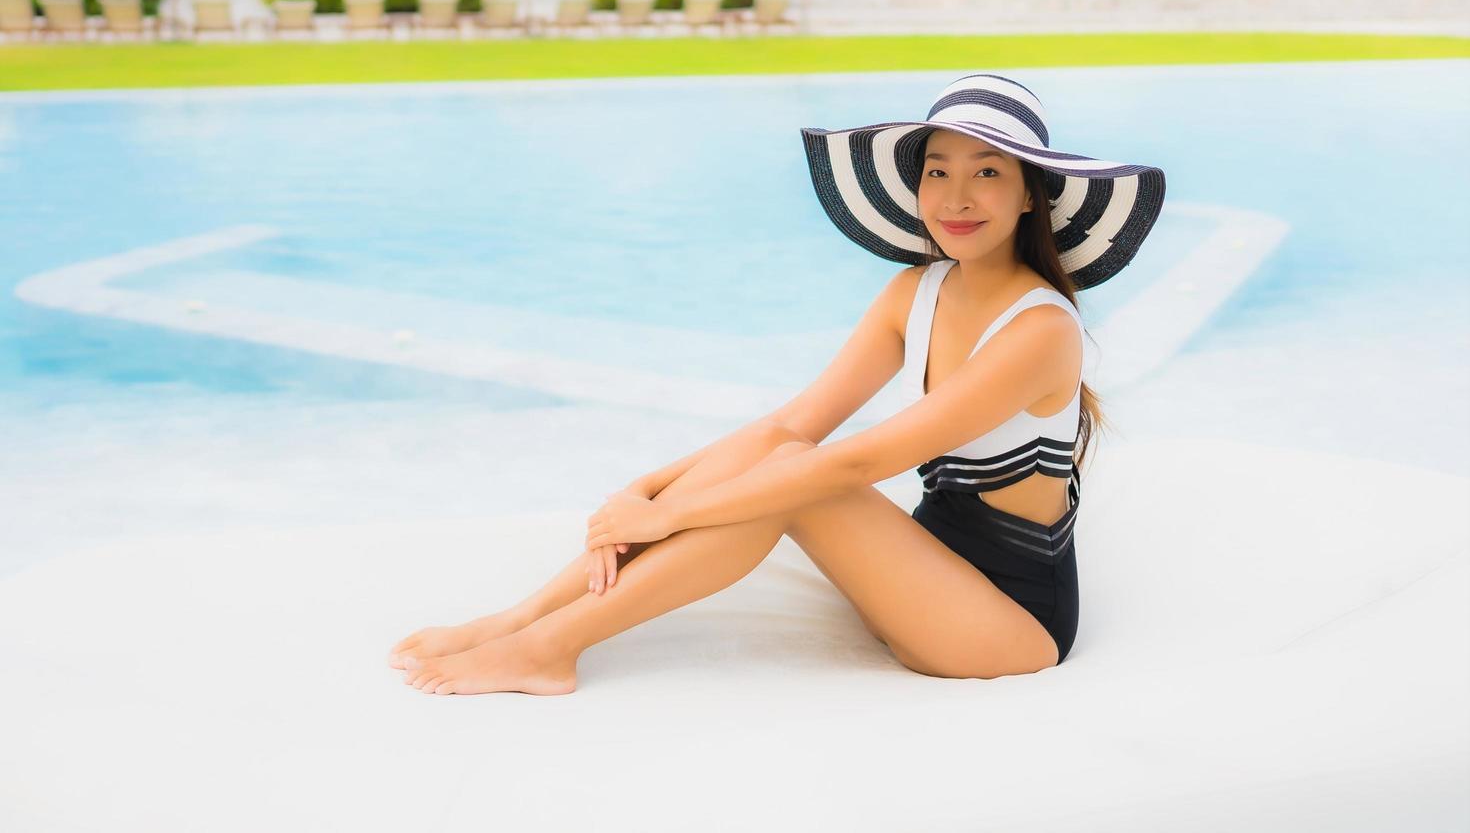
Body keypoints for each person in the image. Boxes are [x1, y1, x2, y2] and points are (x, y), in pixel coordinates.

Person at [389, 72, 1166, 694]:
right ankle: (520, 622)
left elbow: (856, 465)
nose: (955, 198)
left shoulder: (1041, 330)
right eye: (938, 171)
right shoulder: (915, 292)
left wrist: (672, 516)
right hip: (922, 578)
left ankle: (548, 648)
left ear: (1030, 192)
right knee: (779, 445)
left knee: (800, 475)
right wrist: (643, 489)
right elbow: (796, 423)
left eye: (987, 173)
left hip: (1004, 627)